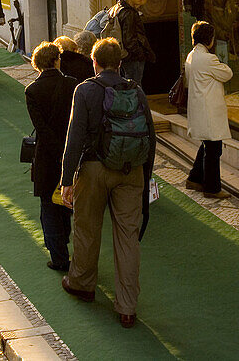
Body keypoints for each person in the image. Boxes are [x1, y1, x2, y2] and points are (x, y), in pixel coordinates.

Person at [60, 37, 156, 329]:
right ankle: (127, 307)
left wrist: (66, 179)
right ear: (120, 63)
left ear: (95, 62)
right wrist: (145, 175)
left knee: (87, 228)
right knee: (128, 237)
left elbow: (74, 137)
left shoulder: (85, 90)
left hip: (93, 169)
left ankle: (82, 283)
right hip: (131, 171)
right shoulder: (136, 90)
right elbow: (150, 136)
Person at [24, 42, 78, 272]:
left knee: (48, 204)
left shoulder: (32, 91)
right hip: (70, 152)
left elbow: (41, 128)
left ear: (37, 65)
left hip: (47, 155)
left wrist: (55, 149)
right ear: (57, 60)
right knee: (66, 202)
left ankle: (58, 256)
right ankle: (64, 244)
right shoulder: (72, 84)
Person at [184, 21, 233, 199]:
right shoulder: (208, 59)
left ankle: (195, 178)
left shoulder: (191, 56)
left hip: (199, 106)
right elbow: (227, 73)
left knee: (207, 145)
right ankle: (212, 188)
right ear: (210, 40)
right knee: (213, 149)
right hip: (208, 109)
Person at [105, 0, 155, 86]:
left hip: (124, 56)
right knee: (134, 87)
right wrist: (140, 54)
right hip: (132, 58)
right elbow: (129, 39)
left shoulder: (118, 8)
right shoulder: (129, 13)